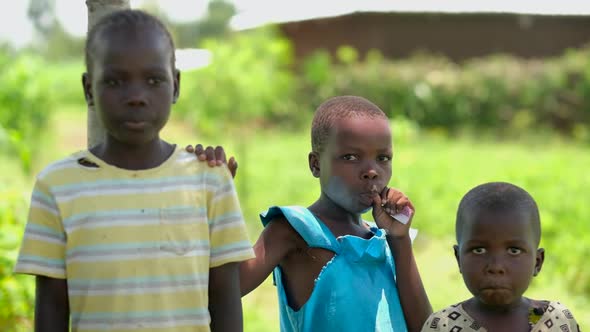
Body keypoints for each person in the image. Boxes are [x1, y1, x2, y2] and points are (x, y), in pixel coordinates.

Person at [14, 10, 254, 332]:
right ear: (88, 89)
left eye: (154, 80)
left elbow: (225, 298)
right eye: (115, 81)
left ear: (176, 86)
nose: (136, 97)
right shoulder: (57, 187)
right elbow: (52, 306)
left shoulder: (209, 179)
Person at [236, 95, 432, 332]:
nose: (371, 171)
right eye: (350, 157)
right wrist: (217, 204)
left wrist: (399, 240)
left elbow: (426, 328)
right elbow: (227, 289)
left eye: (383, 158)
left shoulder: (387, 241)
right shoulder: (296, 230)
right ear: (316, 164)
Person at [421, 182, 580, 332]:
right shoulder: (443, 325)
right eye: (479, 250)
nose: (496, 267)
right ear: (458, 259)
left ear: (537, 262)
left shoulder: (557, 321)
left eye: (514, 251)